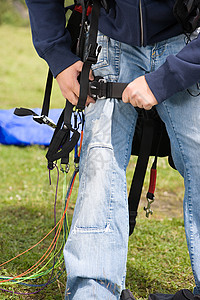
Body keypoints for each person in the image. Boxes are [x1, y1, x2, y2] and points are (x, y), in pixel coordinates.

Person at [25, 0, 200, 299]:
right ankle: (93, 290)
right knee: (100, 163)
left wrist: (168, 78)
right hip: (109, 41)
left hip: (187, 40)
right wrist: (59, 57)